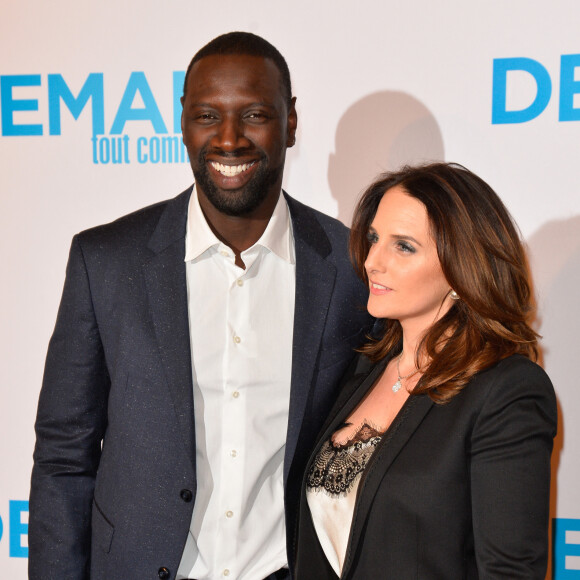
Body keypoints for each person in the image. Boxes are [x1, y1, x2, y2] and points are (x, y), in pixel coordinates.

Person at [29, 32, 373, 580]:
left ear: (292, 123)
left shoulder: (352, 269)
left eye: (255, 114)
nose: (229, 139)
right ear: (184, 122)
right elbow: (63, 456)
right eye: (208, 116)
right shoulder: (107, 261)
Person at [294, 162, 557, 579]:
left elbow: (510, 571)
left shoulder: (507, 391)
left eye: (404, 246)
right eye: (375, 239)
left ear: (460, 267)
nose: (372, 262)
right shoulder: (364, 367)